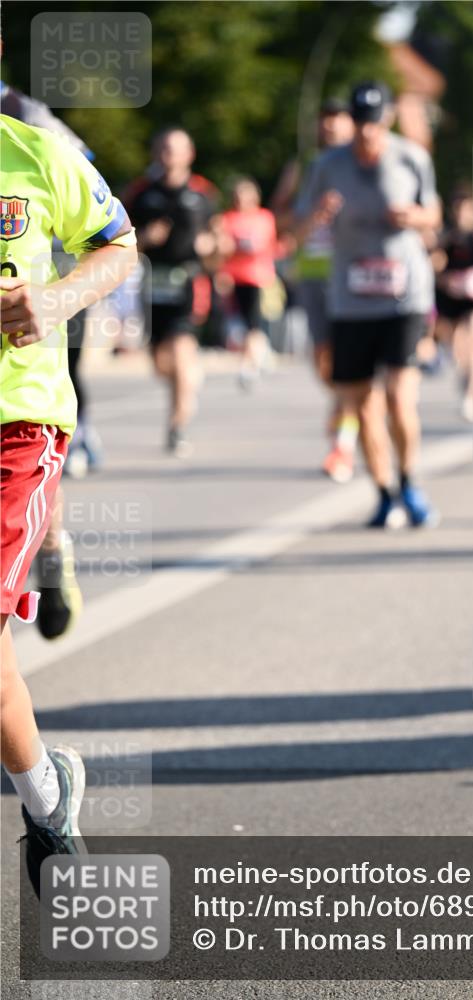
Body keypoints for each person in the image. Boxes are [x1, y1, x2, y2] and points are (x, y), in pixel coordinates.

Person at [0, 113, 137, 891]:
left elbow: (116, 245)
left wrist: (50, 303)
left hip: (17, 422)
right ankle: (48, 796)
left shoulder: (35, 149)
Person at [295, 82, 441, 527]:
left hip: (404, 294)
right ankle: (382, 492)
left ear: (388, 120)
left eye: (374, 124)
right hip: (351, 299)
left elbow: (434, 215)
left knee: (399, 398)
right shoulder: (327, 166)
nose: (366, 134)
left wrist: (414, 217)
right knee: (362, 404)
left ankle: (411, 482)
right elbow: (295, 231)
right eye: (360, 124)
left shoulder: (411, 157)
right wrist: (317, 216)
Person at [1, 72, 98, 638]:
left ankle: (52, 546)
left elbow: (92, 192)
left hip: (45, 299)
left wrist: (57, 296)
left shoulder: (29, 118)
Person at [273, 99, 359, 482]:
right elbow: (279, 219)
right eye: (323, 122)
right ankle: (344, 406)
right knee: (323, 360)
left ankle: (344, 441)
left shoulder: (360, 163)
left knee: (350, 361)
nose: (329, 129)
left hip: (352, 273)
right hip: (312, 271)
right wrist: (312, 216)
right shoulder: (305, 166)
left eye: (336, 122)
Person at [124, 127, 218, 456]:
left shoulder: (203, 194)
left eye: (175, 149)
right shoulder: (140, 193)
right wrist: (145, 239)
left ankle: (176, 427)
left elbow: (218, 240)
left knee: (179, 353)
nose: (168, 155)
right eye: (163, 148)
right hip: (152, 285)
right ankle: (188, 377)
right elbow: (118, 242)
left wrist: (213, 246)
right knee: (161, 364)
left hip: (188, 284)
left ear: (189, 155)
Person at [433, 185, 473, 422]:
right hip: (452, 300)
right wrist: (446, 278)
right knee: (460, 348)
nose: (463, 214)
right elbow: (435, 265)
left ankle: (472, 396)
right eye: (459, 209)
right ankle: (466, 374)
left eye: (468, 209)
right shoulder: (446, 236)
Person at [213, 177, 278, 389]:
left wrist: (239, 245)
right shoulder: (227, 218)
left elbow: (260, 244)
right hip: (234, 278)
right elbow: (223, 247)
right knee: (241, 325)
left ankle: (248, 365)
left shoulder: (264, 217)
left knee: (253, 324)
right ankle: (260, 354)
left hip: (258, 278)